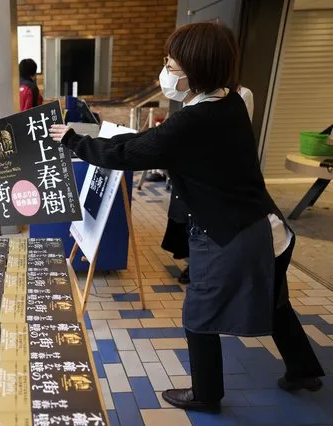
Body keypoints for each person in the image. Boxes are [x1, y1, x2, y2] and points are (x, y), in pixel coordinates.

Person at [49, 22, 324, 413]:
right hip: (269, 228)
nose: (166, 71)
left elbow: (130, 155)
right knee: (274, 302)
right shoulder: (228, 102)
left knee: (198, 313)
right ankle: (303, 370)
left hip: (233, 236)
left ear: (197, 70)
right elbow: (147, 144)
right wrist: (94, 138)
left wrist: (75, 142)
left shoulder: (192, 122)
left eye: (172, 65)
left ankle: (206, 394)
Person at [162, 83, 255, 285]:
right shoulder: (192, 95)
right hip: (188, 171)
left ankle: (203, 269)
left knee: (207, 225)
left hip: (215, 175)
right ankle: (193, 263)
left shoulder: (238, 97)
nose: (167, 71)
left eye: (170, 64)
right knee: (186, 219)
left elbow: (240, 136)